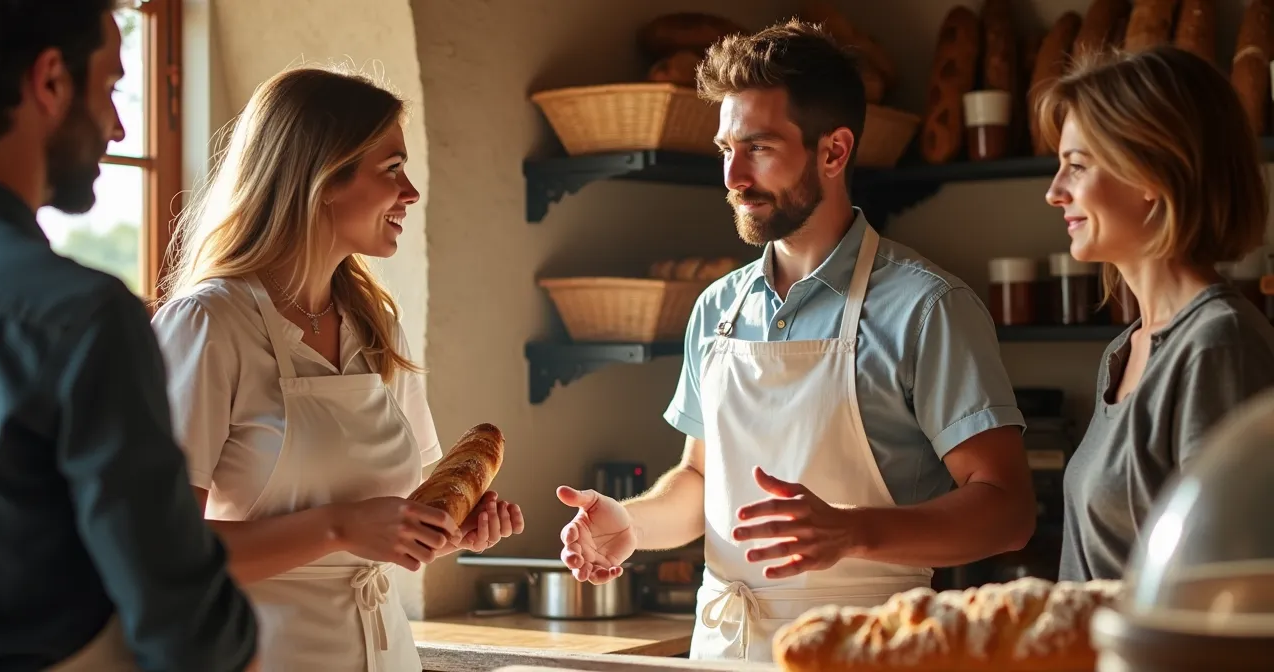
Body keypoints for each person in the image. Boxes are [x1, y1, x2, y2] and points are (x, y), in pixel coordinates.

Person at [555, 20, 1037, 662]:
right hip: (725, 647)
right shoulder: (718, 308)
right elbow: (701, 477)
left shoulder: (927, 307)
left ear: (834, 152)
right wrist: (632, 524)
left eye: (758, 148)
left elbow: (1008, 512)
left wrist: (852, 531)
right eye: (726, 147)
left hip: (870, 650)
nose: (731, 175)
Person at [150, 64, 525, 671]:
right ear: (322, 177)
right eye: (393, 169)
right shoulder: (208, 324)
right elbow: (161, 555)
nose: (412, 193)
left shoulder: (376, 324)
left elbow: (389, 518)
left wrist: (443, 530)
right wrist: (340, 528)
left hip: (384, 655)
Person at [0, 2, 259, 671]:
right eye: (111, 88)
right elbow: (185, 626)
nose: (119, 124)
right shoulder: (82, 319)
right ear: (50, 82)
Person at [1037, 45, 1274, 582]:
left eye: (1076, 166)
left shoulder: (1218, 347)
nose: (1054, 193)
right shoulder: (1124, 351)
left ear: (1150, 173)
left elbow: (1228, 586)